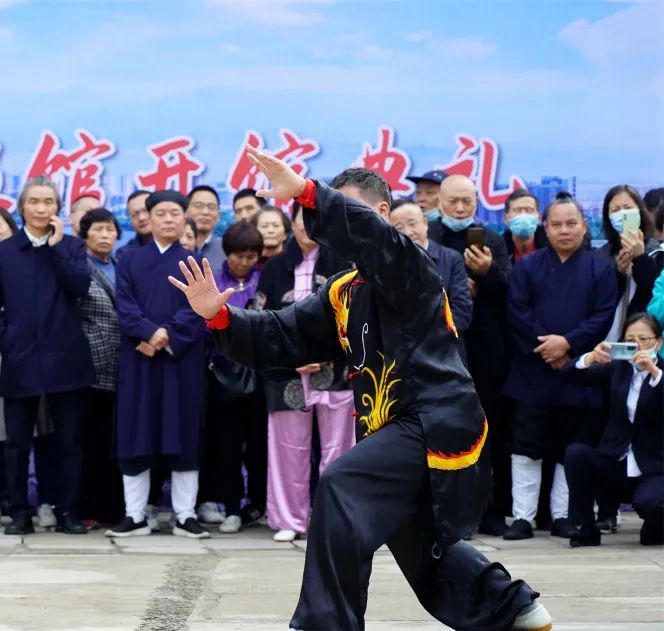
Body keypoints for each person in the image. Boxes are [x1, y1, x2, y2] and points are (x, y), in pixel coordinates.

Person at [172, 153, 548, 631]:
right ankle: (513, 607)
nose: (337, 225)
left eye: (348, 213)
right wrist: (220, 317)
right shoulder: (341, 290)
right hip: (392, 429)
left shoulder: (412, 264)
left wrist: (307, 191)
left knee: (340, 487)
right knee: (418, 543)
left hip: (432, 417)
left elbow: (372, 238)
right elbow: (284, 334)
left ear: (383, 215)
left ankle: (325, 625)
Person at [0, 176, 96, 536]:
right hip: (21, 358)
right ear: (22, 207)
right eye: (35, 201)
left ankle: (68, 511)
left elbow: (80, 287)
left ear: (58, 208)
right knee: (16, 442)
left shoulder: (73, 247)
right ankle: (18, 511)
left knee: (69, 441)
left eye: (49, 202)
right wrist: (8, 340)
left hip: (67, 356)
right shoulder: (3, 252)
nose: (42, 208)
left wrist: (58, 247)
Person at [504, 194, 617, 541]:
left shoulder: (601, 268)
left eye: (572, 223)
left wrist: (567, 344)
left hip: (579, 369)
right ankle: (522, 517)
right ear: (546, 228)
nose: (564, 230)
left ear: (585, 226)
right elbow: (517, 312)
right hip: (533, 369)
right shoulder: (527, 266)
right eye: (557, 224)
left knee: (571, 447)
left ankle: (563, 516)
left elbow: (603, 315)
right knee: (526, 445)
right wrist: (548, 347)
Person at [105, 190, 209, 540]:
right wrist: (149, 334)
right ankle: (135, 516)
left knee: (183, 434)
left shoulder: (195, 262)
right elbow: (124, 306)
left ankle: (184, 515)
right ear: (147, 219)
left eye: (174, 213)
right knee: (136, 431)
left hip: (182, 360)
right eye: (160, 213)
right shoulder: (129, 259)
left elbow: (200, 310)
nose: (168, 219)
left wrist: (166, 337)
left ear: (184, 219)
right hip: (139, 358)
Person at [255, 201, 355, 543]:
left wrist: (325, 353)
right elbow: (263, 321)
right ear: (291, 223)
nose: (309, 225)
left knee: (339, 450)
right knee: (287, 448)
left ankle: (336, 519)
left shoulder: (345, 265)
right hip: (287, 373)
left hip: (336, 370)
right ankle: (288, 518)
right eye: (302, 218)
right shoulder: (274, 267)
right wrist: (289, 358)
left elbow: (353, 319)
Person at [428, 174, 514, 536]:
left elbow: (510, 289)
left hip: (487, 350)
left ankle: (492, 510)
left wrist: (488, 273)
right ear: (439, 203)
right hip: (442, 351)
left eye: (468, 201)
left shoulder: (490, 239)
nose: (461, 208)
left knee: (490, 432)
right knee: (446, 434)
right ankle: (444, 511)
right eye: (453, 201)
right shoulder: (429, 237)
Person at [565, 313, 662, 547]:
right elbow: (571, 375)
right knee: (577, 454)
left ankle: (657, 524)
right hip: (616, 459)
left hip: (653, 466)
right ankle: (585, 527)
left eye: (644, 339)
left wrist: (654, 372)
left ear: (658, 342)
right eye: (630, 339)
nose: (637, 345)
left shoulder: (661, 373)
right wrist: (590, 357)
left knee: (653, 505)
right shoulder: (618, 369)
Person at [207, 221, 268, 533]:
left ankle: (257, 503)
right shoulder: (215, 283)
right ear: (227, 254)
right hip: (224, 377)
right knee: (227, 446)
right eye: (238, 256)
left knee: (260, 446)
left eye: (251, 256)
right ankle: (231, 506)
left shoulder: (264, 280)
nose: (244, 262)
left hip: (261, 377)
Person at [77, 208, 125, 527]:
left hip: (123, 365)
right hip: (89, 365)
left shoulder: (123, 267)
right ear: (86, 235)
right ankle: (87, 509)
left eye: (110, 229)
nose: (105, 235)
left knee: (115, 442)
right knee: (88, 442)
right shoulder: (78, 268)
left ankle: (113, 509)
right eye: (98, 229)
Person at [389, 201, 473, 363]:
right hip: (405, 359)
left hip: (447, 355)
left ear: (425, 224)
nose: (408, 232)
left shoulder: (451, 259)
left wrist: (427, 335)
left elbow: (462, 311)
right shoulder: (388, 265)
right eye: (399, 228)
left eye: (412, 223)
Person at [596, 185, 664, 341]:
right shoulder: (600, 256)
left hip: (646, 338)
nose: (622, 213)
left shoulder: (657, 251)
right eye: (615, 210)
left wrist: (640, 257)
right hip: (608, 337)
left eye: (627, 207)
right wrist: (619, 272)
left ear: (640, 211)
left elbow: (653, 292)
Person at [502, 190, 548, 266]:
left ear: (538, 217)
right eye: (517, 210)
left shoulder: (552, 247)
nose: (523, 215)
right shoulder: (498, 250)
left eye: (529, 210)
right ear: (505, 218)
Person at [187, 185, 227, 272]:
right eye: (198, 206)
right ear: (186, 210)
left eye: (211, 207)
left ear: (219, 214)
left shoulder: (227, 248)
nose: (205, 212)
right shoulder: (175, 246)